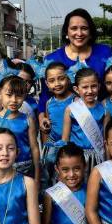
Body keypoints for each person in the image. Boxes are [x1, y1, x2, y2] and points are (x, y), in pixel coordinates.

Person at [39, 9, 112, 112]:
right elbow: (45, 94)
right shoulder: (51, 59)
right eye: (74, 28)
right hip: (64, 121)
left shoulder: (106, 53)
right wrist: (41, 116)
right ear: (66, 32)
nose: (79, 33)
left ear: (90, 32)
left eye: (84, 28)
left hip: (102, 117)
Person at [0, 73, 40, 183]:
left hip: (25, 168)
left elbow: (34, 148)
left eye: (19, 95)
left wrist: (37, 175)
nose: (14, 100)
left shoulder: (27, 120)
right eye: (9, 95)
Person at [62, 68, 108, 173]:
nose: (90, 91)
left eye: (94, 86)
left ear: (99, 86)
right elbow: (65, 140)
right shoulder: (70, 109)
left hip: (98, 157)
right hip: (76, 157)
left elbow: (106, 141)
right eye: (85, 87)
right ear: (76, 89)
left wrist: (108, 161)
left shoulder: (105, 111)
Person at [40, 62, 74, 190]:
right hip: (53, 149)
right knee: (52, 179)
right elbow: (48, 128)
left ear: (68, 78)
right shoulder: (49, 103)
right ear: (47, 84)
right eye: (52, 80)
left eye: (61, 78)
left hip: (71, 147)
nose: (57, 83)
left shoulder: (75, 100)